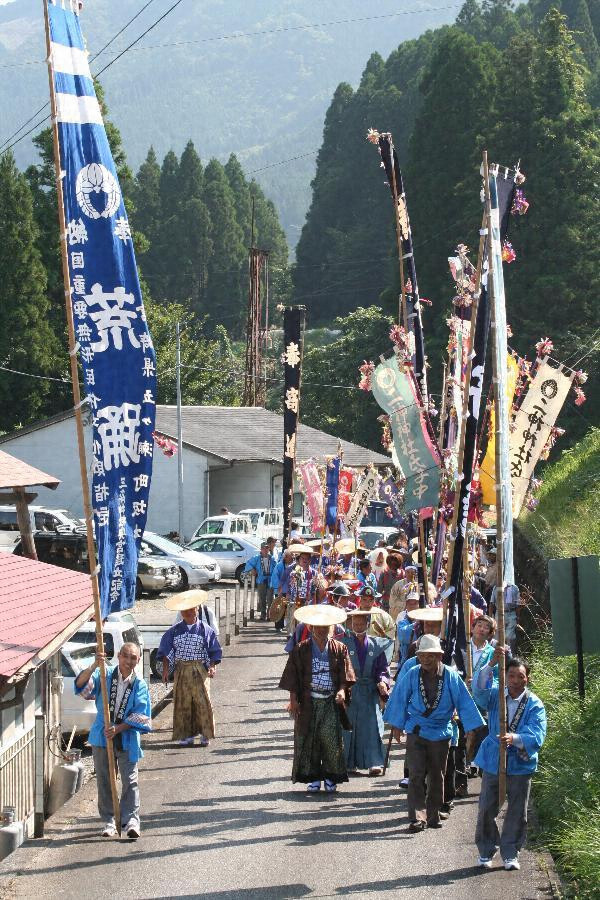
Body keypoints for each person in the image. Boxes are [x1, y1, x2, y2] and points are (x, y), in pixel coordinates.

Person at [384, 634, 484, 831]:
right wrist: (396, 725)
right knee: (415, 774)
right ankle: (417, 817)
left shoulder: (451, 676)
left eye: (430, 656)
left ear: (439, 656)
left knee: (437, 776)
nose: (426, 660)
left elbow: (464, 702)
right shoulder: (412, 673)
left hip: (441, 731)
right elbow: (399, 698)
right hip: (417, 729)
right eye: (422, 656)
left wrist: (471, 728)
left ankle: (433, 814)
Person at [474, 649, 547, 871]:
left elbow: (537, 734)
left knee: (517, 809)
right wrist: (492, 663)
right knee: (487, 806)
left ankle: (510, 852)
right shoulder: (496, 695)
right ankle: (486, 850)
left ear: (528, 678)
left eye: (520, 676)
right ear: (505, 676)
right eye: (511, 676)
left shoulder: (534, 704)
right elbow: (479, 690)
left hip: (520, 762)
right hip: (494, 758)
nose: (515, 681)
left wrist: (514, 738)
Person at [74, 642, 151, 839]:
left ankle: (131, 821)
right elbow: (83, 688)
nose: (128, 661)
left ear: (138, 660)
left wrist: (120, 728)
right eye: (125, 656)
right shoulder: (105, 674)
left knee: (130, 781)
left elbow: (142, 715)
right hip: (102, 735)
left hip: (126, 737)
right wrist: (93, 666)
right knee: (105, 780)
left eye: (133, 658)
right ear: (118, 656)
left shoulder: (139, 684)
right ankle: (109, 820)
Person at [279, 605, 356, 792]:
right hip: (308, 701)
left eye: (326, 627)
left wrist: (342, 691)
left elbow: (346, 676)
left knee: (330, 739)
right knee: (310, 739)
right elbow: (293, 676)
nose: (322, 630)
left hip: (330, 700)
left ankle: (331, 777)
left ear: (331, 628)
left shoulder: (339, 648)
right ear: (311, 627)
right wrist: (293, 700)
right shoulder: (301, 649)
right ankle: (313, 777)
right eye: (318, 627)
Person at [158, 592, 223, 747]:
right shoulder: (173, 631)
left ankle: (205, 733)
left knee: (203, 701)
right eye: (184, 609)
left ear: (197, 610)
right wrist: (166, 670)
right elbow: (166, 651)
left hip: (200, 668)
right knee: (183, 702)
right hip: (181, 669)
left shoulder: (205, 629)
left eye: (191, 608)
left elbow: (214, 650)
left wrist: (212, 666)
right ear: (181, 612)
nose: (187, 612)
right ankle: (186, 734)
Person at [341, 610, 392, 776]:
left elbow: (383, 669)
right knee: (349, 727)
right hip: (351, 691)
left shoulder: (376, 645)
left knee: (372, 726)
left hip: (370, 690)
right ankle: (349, 763)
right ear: (350, 624)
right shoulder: (344, 644)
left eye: (361, 623)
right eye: (355, 624)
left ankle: (374, 762)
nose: (358, 626)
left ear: (368, 624)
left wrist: (383, 682)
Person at [243, 542, 274, 621]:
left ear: (268, 549)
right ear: (261, 549)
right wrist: (252, 569)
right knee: (262, 598)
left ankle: (269, 615)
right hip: (261, 580)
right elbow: (248, 564)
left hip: (270, 580)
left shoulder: (272, 558)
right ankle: (263, 615)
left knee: (270, 599)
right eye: (264, 548)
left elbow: (276, 568)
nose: (265, 550)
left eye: (267, 548)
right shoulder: (256, 558)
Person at [396, 592, 420, 668]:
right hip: (406, 658)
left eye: (415, 603)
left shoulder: (425, 618)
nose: (412, 606)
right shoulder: (402, 619)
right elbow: (403, 636)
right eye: (410, 604)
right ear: (406, 605)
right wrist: (417, 624)